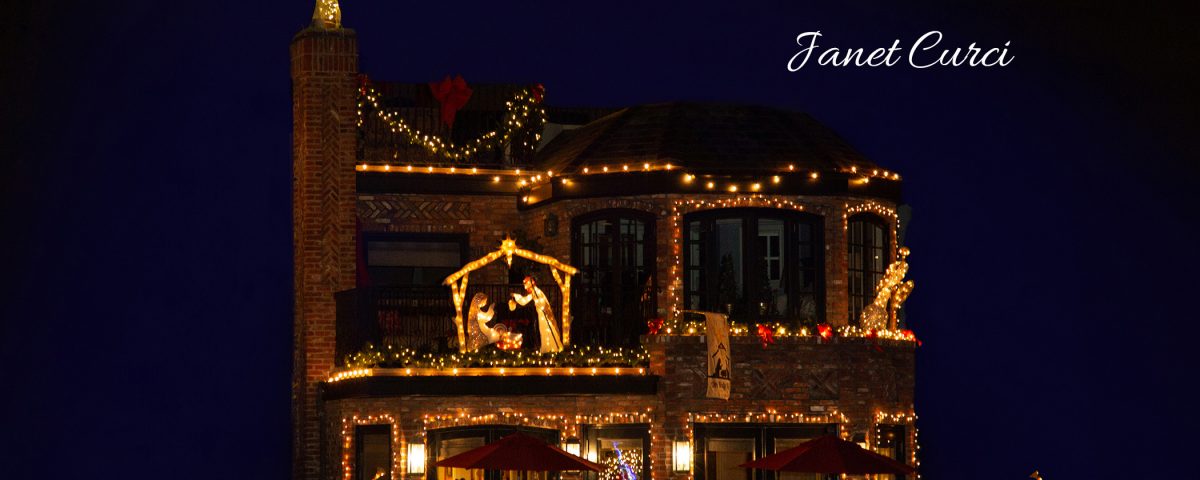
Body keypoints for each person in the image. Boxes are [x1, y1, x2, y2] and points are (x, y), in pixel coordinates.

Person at [510, 276, 563, 352]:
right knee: (543, 331)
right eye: (524, 282)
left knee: (547, 330)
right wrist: (516, 295)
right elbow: (524, 301)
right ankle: (547, 349)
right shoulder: (533, 292)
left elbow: (542, 302)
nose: (524, 284)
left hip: (544, 314)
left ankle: (553, 348)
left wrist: (538, 304)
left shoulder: (536, 291)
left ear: (532, 283)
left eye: (526, 282)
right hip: (541, 314)